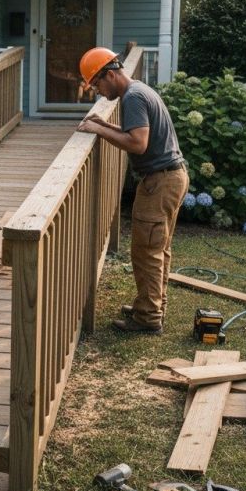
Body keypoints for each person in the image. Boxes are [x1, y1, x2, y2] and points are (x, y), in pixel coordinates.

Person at [76, 47, 188, 334]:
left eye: (97, 84)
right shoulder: (139, 90)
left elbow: (138, 143)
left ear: (110, 75)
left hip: (160, 181)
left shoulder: (133, 97)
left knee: (146, 251)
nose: (98, 92)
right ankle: (151, 306)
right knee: (157, 248)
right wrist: (105, 124)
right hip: (171, 177)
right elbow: (134, 135)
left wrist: (98, 130)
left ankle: (148, 317)